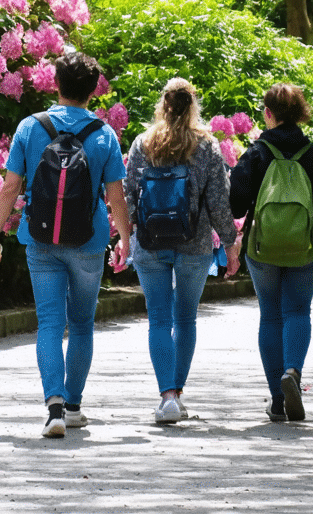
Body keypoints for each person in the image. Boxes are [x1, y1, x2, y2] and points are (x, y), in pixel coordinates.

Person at [0, 52, 131, 438]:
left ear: (55, 83)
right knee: (81, 323)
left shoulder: (31, 128)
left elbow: (10, 188)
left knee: (49, 323)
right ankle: (75, 404)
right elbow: (116, 196)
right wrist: (125, 238)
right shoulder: (105, 135)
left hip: (41, 238)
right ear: (92, 88)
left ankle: (55, 407)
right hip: (89, 240)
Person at [114, 78, 240, 424]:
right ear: (193, 105)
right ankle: (178, 394)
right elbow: (218, 202)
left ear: (163, 104)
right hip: (194, 244)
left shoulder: (143, 143)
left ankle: (167, 396)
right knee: (185, 318)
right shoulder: (207, 146)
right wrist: (230, 243)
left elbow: (128, 194)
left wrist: (129, 237)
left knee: (158, 319)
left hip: (151, 244)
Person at [228, 83, 313, 422]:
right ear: (300, 113)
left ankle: (278, 401)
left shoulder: (256, 152)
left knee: (270, 316)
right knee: (297, 311)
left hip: (262, 248)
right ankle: (292, 371)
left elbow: (236, 203)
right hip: (304, 248)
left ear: (268, 113)